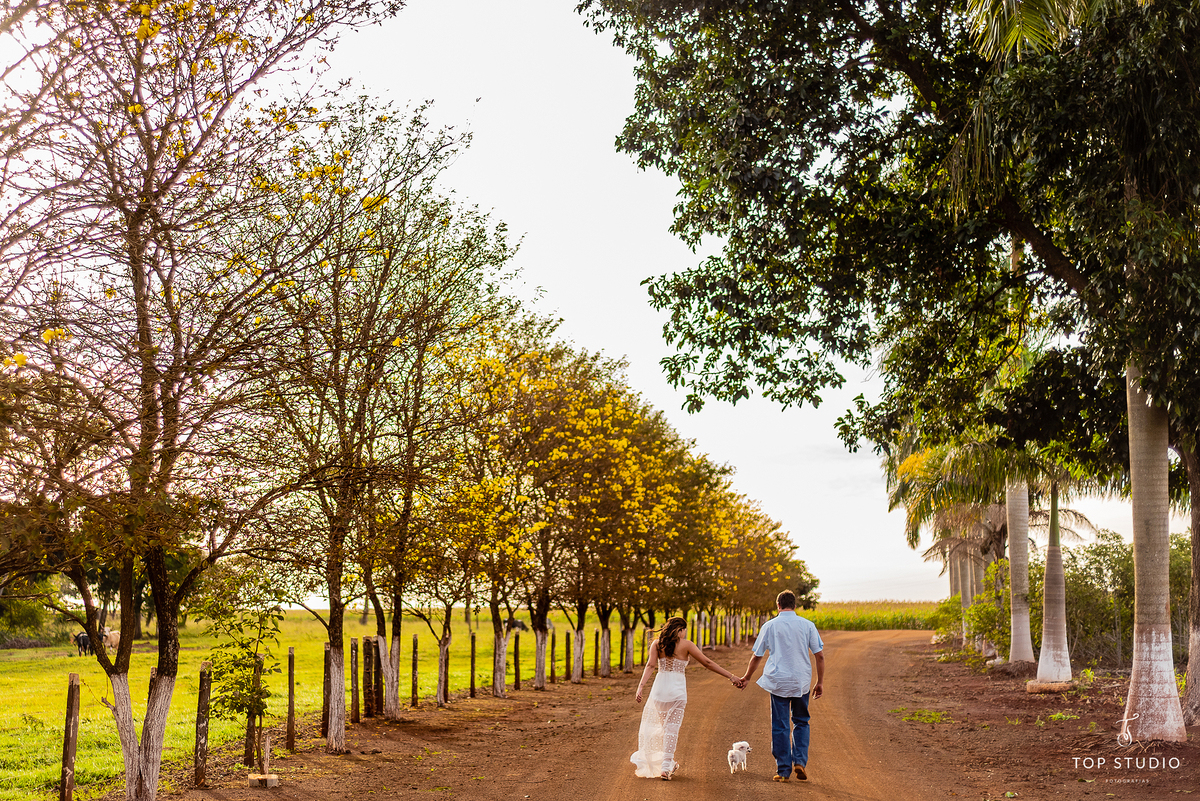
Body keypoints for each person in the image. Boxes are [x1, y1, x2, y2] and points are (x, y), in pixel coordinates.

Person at [631, 616, 744, 780]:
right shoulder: (687, 645)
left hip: (659, 690)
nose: (685, 633)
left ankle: (667, 764)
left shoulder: (657, 644)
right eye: (684, 630)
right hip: (677, 691)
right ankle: (665, 767)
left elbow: (650, 665)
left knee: (664, 729)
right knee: (672, 730)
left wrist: (641, 687)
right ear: (680, 630)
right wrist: (731, 676)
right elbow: (707, 663)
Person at [738, 590, 825, 782]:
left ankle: (783, 770)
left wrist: (747, 677)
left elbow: (757, 656)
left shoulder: (769, 626)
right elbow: (819, 655)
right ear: (795, 605)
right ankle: (800, 761)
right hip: (801, 682)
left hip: (778, 682)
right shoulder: (807, 625)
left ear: (778, 605)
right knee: (801, 721)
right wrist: (819, 682)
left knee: (780, 725)